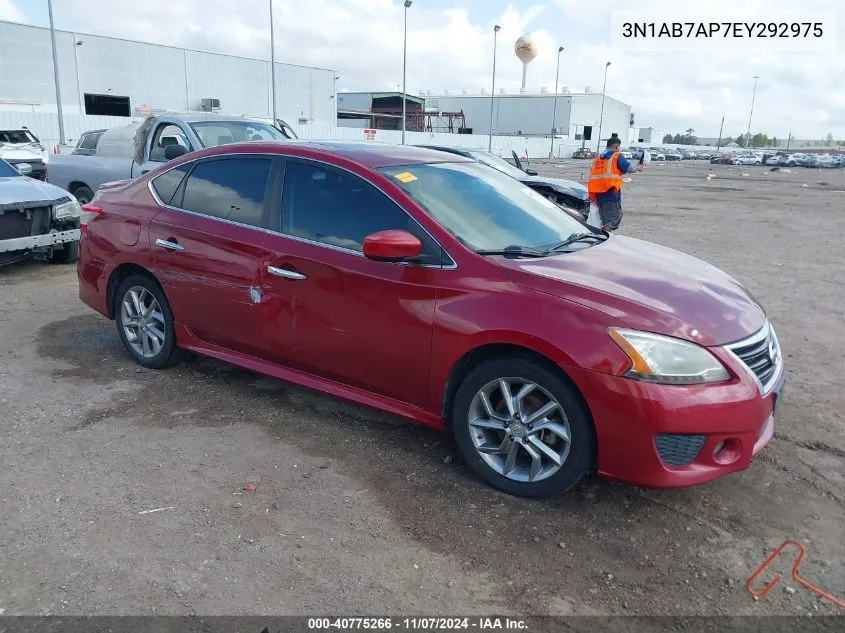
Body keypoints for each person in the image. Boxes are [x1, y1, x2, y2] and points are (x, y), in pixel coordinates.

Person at [587, 136, 643, 231]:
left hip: (598, 195)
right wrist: (638, 168)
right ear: (617, 147)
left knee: (604, 219)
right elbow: (629, 168)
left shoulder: (597, 159)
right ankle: (606, 241)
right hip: (610, 193)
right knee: (611, 220)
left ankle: (603, 238)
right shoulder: (616, 156)